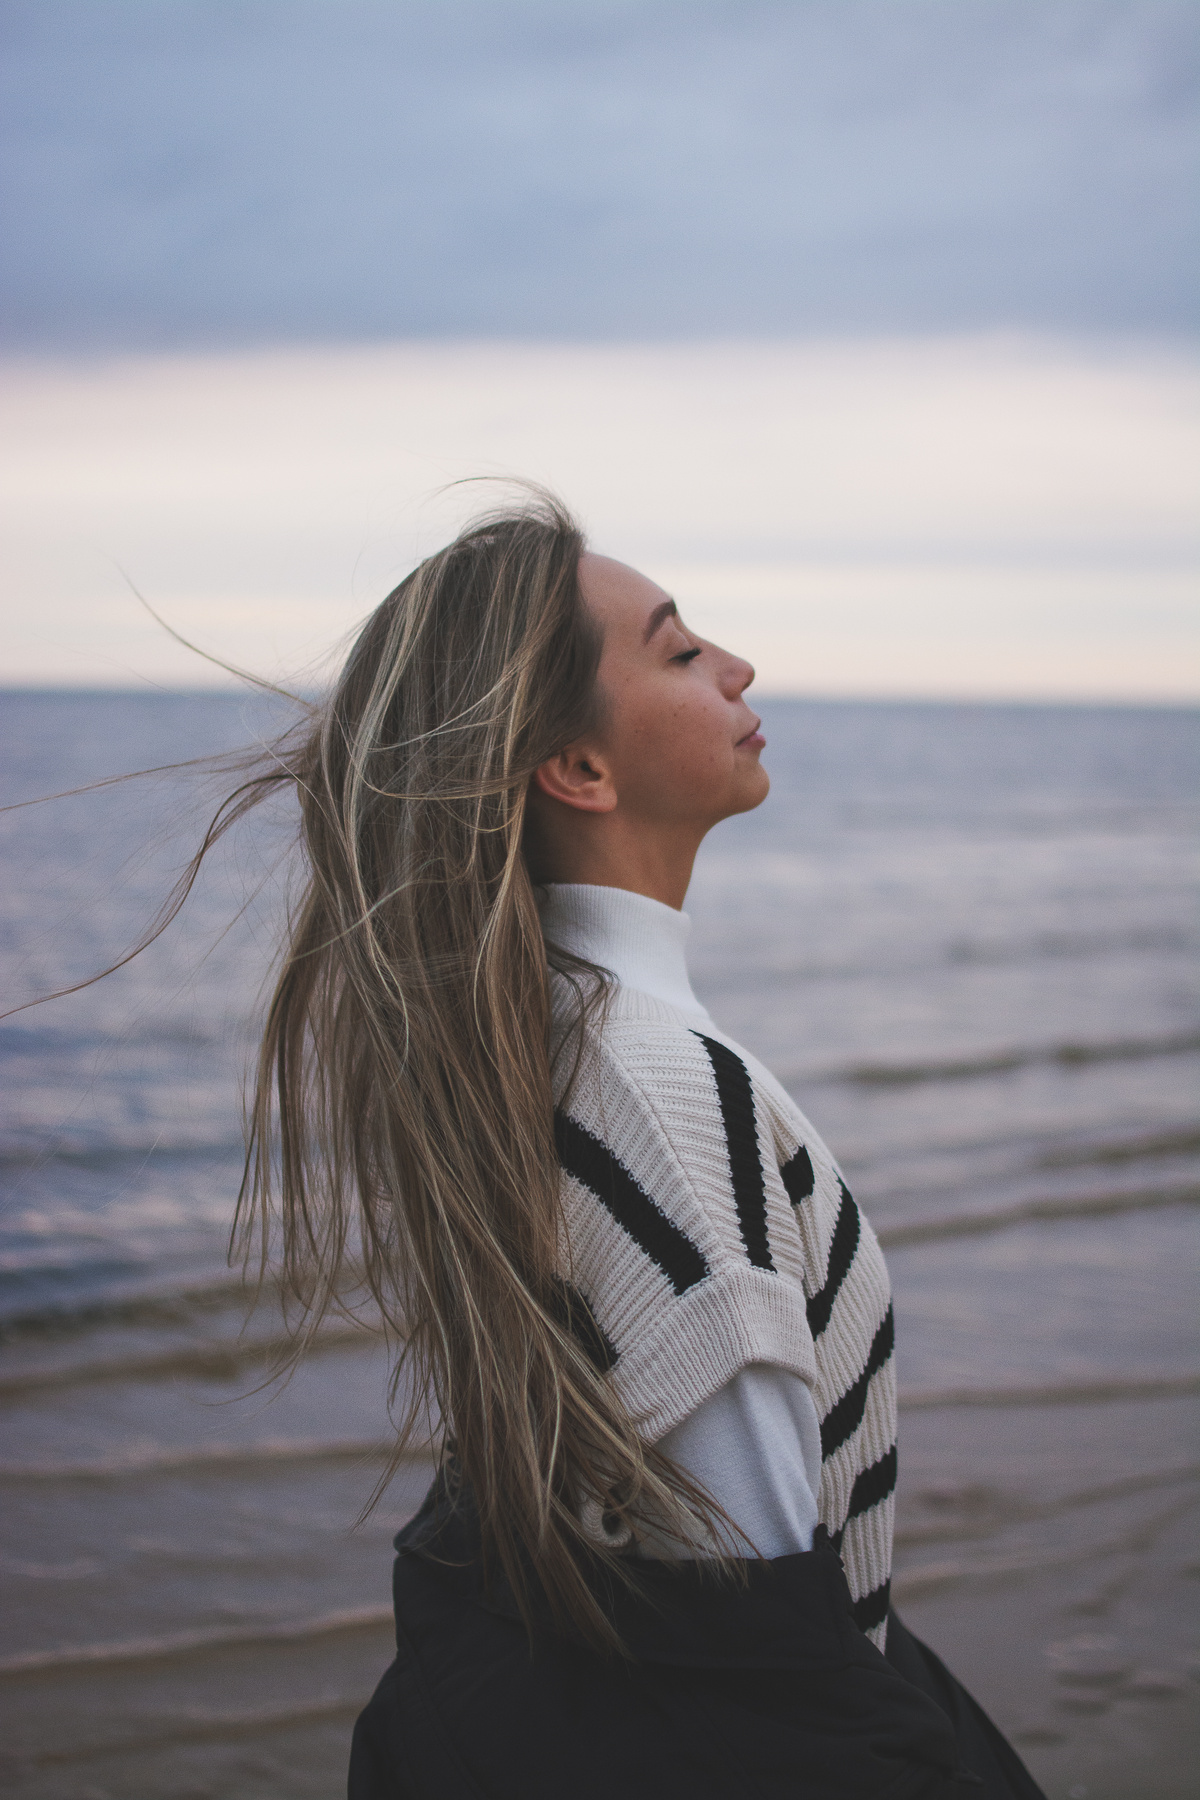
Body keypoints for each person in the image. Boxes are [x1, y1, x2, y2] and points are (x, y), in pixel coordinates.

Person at [135, 490, 1048, 1797]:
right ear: (579, 769)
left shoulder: (554, 1042)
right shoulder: (662, 1102)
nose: (738, 667)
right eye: (678, 651)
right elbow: (761, 1665)